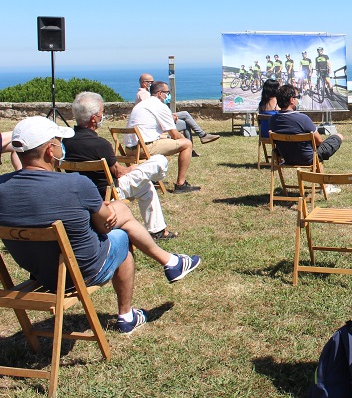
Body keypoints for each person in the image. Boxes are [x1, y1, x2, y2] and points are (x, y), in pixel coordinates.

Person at [0, 116, 201, 333]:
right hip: (82, 271)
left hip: (40, 271)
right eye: (59, 142)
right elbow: (106, 225)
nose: (62, 147)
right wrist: (100, 209)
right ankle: (128, 314)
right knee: (122, 234)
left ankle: (171, 262)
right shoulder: (75, 184)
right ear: (50, 150)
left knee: (117, 212)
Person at [65, 92, 178, 240]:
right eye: (101, 113)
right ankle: (158, 178)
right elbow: (119, 173)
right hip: (108, 192)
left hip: (80, 193)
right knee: (159, 161)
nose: (102, 116)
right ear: (93, 119)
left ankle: (157, 230)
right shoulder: (101, 145)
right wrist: (133, 168)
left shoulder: (66, 141)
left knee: (146, 186)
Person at [127, 81, 201, 193]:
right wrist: (183, 139)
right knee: (187, 144)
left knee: (165, 140)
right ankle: (181, 184)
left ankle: (152, 178)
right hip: (144, 148)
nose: (168, 95)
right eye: (167, 92)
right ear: (160, 93)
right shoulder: (160, 106)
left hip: (129, 149)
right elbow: (174, 134)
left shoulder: (141, 105)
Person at [136, 73, 220, 154]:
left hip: (155, 122)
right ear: (144, 83)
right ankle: (195, 142)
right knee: (185, 118)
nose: (152, 84)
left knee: (185, 117)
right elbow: (152, 111)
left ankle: (197, 141)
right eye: (150, 82)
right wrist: (170, 117)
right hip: (154, 126)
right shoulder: (144, 94)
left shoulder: (144, 94)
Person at [269, 84, 344, 165]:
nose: (298, 100)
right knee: (339, 136)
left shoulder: (272, 120)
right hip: (309, 158)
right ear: (292, 100)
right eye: (298, 97)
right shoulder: (303, 119)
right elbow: (318, 141)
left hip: (287, 158)